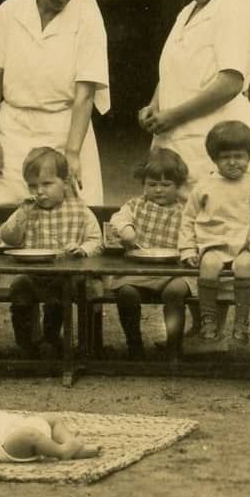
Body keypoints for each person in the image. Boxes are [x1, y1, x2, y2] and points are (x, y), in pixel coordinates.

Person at [0, 0, 110, 205]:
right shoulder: (9, 11)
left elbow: (85, 94)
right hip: (13, 128)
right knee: (7, 207)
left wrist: (72, 152)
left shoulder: (88, 20)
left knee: (70, 210)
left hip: (65, 127)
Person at [139, 0, 250, 186]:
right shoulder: (187, 12)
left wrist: (174, 115)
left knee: (220, 213)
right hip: (178, 133)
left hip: (219, 135)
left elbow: (231, 82)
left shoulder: (231, 9)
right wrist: (155, 105)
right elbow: (174, 70)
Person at [177, 120, 250, 350]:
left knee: (244, 266)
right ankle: (208, 320)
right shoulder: (205, 186)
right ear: (214, 159)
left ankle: (241, 322)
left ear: (249, 156)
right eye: (225, 157)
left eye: (239, 156)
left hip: (246, 245)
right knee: (209, 265)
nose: (233, 162)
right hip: (213, 243)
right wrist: (187, 248)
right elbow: (188, 219)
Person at [0, 147, 101, 357]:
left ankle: (51, 339)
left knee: (60, 291)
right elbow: (7, 237)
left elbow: (96, 240)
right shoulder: (27, 210)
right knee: (19, 287)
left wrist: (82, 249)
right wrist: (21, 216)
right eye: (33, 186)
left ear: (65, 181)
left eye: (47, 184)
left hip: (67, 277)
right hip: (33, 275)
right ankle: (26, 343)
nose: (39, 192)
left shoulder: (79, 210)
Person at [102, 148, 192, 358]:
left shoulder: (185, 211)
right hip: (138, 270)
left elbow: (196, 233)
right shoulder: (135, 206)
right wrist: (126, 230)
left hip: (174, 271)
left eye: (165, 185)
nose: (158, 190)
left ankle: (174, 346)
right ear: (143, 184)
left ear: (178, 186)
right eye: (152, 185)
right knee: (126, 293)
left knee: (176, 292)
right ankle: (134, 343)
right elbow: (118, 218)